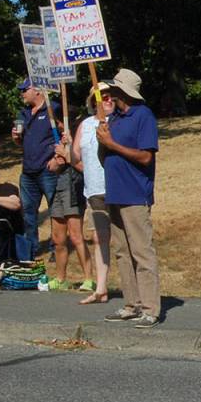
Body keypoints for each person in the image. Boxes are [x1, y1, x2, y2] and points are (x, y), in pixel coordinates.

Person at [97, 69, 161, 328]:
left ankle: (150, 309)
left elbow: (146, 157)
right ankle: (131, 304)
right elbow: (106, 158)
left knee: (142, 252)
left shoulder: (143, 116)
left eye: (114, 88)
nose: (109, 92)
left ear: (124, 92)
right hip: (115, 192)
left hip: (135, 194)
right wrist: (102, 141)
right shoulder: (114, 118)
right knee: (123, 252)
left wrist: (112, 144)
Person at [72, 83, 113, 305]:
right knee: (99, 237)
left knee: (126, 239)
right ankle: (101, 288)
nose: (108, 100)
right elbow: (75, 156)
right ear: (94, 101)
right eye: (103, 97)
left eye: (110, 97)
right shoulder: (85, 125)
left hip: (116, 187)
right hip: (94, 189)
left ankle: (136, 289)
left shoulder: (117, 122)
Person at [10, 78, 59, 259]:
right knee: (28, 214)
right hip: (28, 171)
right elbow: (21, 143)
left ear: (37, 91)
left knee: (56, 211)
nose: (21, 93)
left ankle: (56, 248)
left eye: (25, 89)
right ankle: (30, 250)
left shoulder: (54, 109)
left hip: (48, 169)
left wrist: (57, 158)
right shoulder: (23, 113)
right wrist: (16, 138)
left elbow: (65, 135)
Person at [49, 113, 92, 291]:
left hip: (74, 188)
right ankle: (61, 279)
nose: (58, 127)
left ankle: (89, 279)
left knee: (75, 236)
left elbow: (85, 167)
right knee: (58, 238)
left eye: (60, 123)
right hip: (59, 188)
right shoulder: (61, 142)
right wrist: (58, 159)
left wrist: (68, 156)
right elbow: (51, 167)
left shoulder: (80, 142)